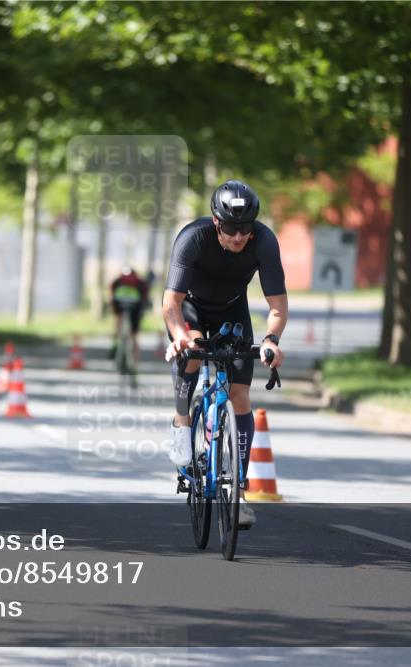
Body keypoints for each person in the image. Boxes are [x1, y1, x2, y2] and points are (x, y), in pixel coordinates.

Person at [162, 179, 288, 527]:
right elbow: (171, 303)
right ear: (216, 222)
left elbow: (277, 306)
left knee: (240, 395)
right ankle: (182, 422)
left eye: (244, 228)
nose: (237, 236)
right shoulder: (193, 238)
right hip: (191, 310)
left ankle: (239, 494)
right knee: (194, 354)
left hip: (233, 311)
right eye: (230, 228)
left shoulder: (263, 242)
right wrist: (179, 337)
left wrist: (271, 340)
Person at [109, 266, 149, 369]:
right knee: (134, 336)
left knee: (118, 320)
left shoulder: (117, 282)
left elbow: (112, 297)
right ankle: (135, 366)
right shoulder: (140, 283)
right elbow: (144, 299)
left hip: (120, 305)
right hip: (135, 307)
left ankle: (115, 343)